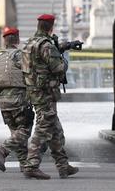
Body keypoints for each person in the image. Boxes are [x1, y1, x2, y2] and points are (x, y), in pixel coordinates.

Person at [20, 14, 79, 180]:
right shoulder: (46, 45)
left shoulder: (30, 43)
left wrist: (65, 46)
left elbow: (39, 60)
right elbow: (58, 68)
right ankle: (31, 165)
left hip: (35, 92)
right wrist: (63, 59)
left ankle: (63, 165)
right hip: (46, 93)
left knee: (56, 131)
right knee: (43, 129)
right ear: (51, 27)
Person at [0, 27, 34, 172]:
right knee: (24, 130)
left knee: (15, 132)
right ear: (17, 39)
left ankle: (24, 165)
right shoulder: (21, 55)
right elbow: (32, 76)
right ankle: (2, 150)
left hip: (3, 101)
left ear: (4, 40)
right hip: (19, 98)